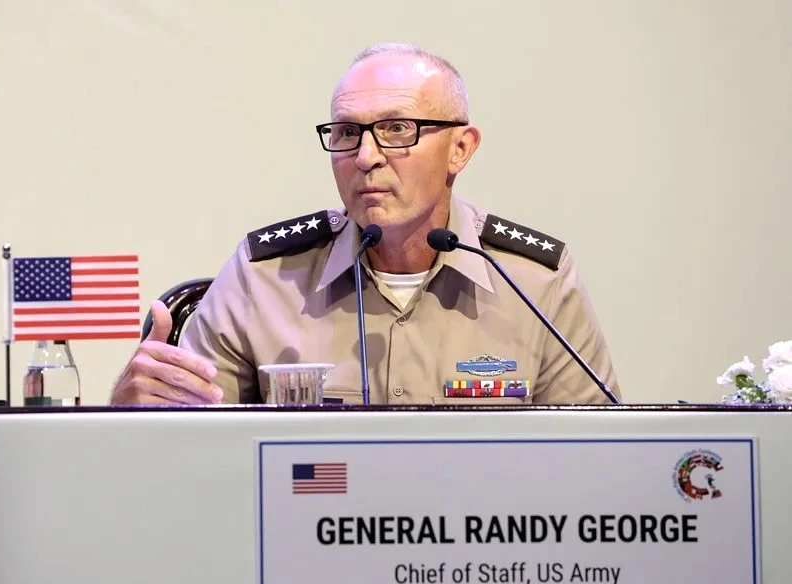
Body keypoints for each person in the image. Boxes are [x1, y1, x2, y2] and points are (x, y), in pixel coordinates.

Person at [110, 42, 621, 406]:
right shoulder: (264, 274)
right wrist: (135, 415)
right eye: (348, 132)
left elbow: (597, 459)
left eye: (397, 129)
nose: (366, 156)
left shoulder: (536, 280)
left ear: (460, 149)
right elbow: (184, 451)